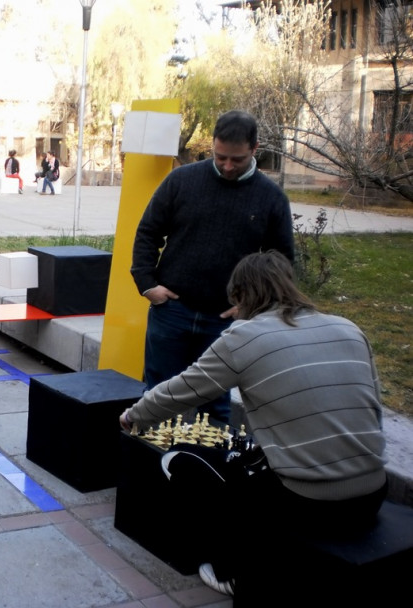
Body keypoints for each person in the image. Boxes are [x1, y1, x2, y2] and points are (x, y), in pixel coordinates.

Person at [119, 251, 387, 600]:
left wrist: (133, 416)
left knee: (179, 460)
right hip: (373, 492)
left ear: (240, 297)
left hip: (305, 502)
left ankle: (233, 572)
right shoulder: (349, 328)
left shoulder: (244, 336)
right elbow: (373, 407)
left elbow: (181, 390)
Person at [130, 110, 294, 424]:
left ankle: (208, 467)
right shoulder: (182, 180)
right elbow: (148, 231)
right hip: (171, 310)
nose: (227, 166)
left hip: (226, 320)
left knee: (216, 408)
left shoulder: (271, 198)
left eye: (237, 159)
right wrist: (147, 283)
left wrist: (253, 308)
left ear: (254, 149)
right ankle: (149, 464)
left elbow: (281, 261)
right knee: (155, 396)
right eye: (220, 158)